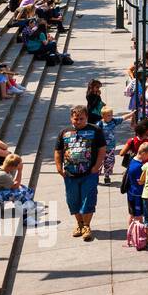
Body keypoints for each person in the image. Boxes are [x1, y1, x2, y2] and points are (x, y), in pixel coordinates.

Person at [55, 104, 105, 242]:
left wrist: (97, 166)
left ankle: (87, 226)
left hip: (89, 173)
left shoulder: (95, 130)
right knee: (73, 200)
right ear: (71, 118)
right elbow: (58, 151)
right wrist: (59, 167)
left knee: (88, 199)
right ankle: (79, 224)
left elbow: (102, 149)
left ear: (87, 118)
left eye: (81, 119)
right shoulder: (64, 132)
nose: (78, 121)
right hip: (70, 174)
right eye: (76, 119)